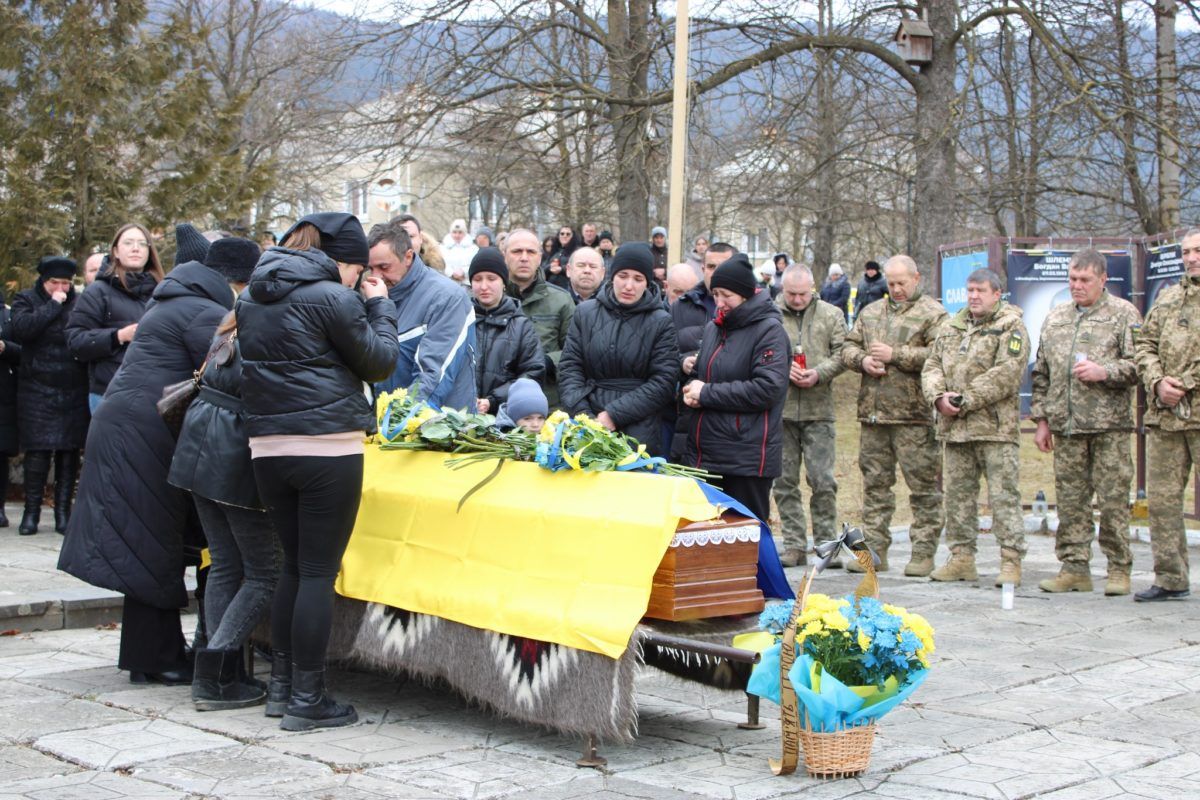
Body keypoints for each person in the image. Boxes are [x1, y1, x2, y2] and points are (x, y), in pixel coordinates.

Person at [236, 212, 399, 730]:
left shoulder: (251, 297)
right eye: (356, 270)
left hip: (267, 448)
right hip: (327, 448)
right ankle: (309, 699)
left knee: (291, 565)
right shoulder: (334, 296)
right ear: (342, 262)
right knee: (316, 573)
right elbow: (379, 362)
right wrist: (381, 307)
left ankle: (282, 689)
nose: (357, 279)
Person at [59, 228, 237, 687]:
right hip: (144, 434)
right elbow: (230, 370)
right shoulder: (204, 310)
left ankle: (151, 654)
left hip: (132, 429)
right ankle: (158, 658)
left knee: (145, 543)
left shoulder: (174, 300)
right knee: (150, 543)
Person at [166, 238, 273, 710]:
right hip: (230, 454)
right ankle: (216, 671)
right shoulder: (263, 323)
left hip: (198, 449)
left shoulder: (228, 322)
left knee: (226, 564)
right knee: (265, 572)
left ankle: (210, 677)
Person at [1031, 248, 1140, 596]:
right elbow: (1041, 373)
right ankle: (1074, 567)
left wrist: (1104, 371)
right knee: (1072, 501)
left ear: (1103, 279)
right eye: (1073, 279)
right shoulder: (1056, 317)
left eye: (1085, 280)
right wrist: (1042, 420)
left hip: (1108, 426)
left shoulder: (1124, 315)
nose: (1077, 286)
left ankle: (1119, 568)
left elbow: (1140, 365)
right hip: (1067, 427)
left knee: (1112, 500)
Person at [923, 269, 1029, 587]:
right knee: (957, 497)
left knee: (1003, 497)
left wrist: (965, 399)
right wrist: (937, 396)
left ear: (997, 294)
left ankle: (1011, 560)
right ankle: (961, 558)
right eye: (969, 290)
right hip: (955, 430)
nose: (973, 296)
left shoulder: (1011, 327)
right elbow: (932, 365)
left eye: (981, 290)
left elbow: (1007, 373)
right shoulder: (950, 327)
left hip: (994, 429)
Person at [842, 255, 947, 573]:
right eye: (891, 283)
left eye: (902, 282)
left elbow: (941, 353)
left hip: (914, 417)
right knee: (875, 487)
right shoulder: (872, 312)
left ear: (917, 278)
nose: (897, 289)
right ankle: (873, 551)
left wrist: (896, 355)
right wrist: (862, 361)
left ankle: (923, 553)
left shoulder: (934, 314)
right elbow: (847, 346)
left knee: (924, 488)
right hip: (874, 416)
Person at [681, 255, 790, 522]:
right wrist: (689, 390)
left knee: (747, 542)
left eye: (726, 295)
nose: (719, 302)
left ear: (745, 293)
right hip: (706, 454)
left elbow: (767, 389)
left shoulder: (769, 331)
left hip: (746, 460)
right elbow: (700, 374)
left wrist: (705, 393)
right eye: (715, 294)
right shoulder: (713, 328)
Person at [558, 243, 678, 455]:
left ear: (647, 283)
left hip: (638, 430)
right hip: (585, 422)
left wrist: (614, 415)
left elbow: (663, 382)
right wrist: (584, 415)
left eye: (638, 279)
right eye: (623, 276)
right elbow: (569, 367)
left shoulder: (661, 321)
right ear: (612, 276)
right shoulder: (585, 313)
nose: (629, 285)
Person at [1134, 226, 1200, 602]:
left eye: (1198, 251)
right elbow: (1144, 343)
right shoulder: (1169, 298)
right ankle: (1171, 577)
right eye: (1187, 251)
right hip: (1167, 417)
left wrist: (1185, 382)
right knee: (1162, 501)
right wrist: (1158, 382)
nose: (1191, 258)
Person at [772, 264, 846, 568]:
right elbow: (759, 351)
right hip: (782, 411)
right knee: (784, 482)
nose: (798, 299)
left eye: (803, 294)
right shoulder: (770, 315)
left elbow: (843, 353)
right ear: (782, 289)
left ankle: (827, 544)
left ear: (813, 288)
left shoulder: (831, 315)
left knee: (823, 481)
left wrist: (819, 373)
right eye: (791, 294)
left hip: (819, 410)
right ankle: (793, 544)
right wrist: (781, 366)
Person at [9, 257, 88, 535]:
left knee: (68, 452)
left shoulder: (80, 304)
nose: (61, 288)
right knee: (38, 451)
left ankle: (63, 513)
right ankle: (31, 514)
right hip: (36, 387)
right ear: (43, 281)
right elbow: (23, 330)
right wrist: (53, 304)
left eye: (66, 283)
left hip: (72, 387)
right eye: (55, 282)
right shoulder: (26, 300)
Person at [368, 222, 476, 411]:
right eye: (371, 268)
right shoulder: (374, 296)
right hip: (390, 426)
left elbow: (432, 375)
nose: (376, 276)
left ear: (408, 257)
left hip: (437, 429)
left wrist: (397, 421)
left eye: (384, 267)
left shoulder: (447, 298)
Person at [67, 222, 168, 412]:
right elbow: (75, 341)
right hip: (109, 392)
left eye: (142, 243)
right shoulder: (97, 292)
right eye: (128, 243)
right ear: (115, 252)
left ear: (149, 251)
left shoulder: (164, 292)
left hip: (156, 392)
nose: (136, 248)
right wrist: (119, 336)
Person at [469, 248, 545, 414]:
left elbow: (532, 373)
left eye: (491, 279)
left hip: (506, 416)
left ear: (504, 283)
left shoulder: (521, 326)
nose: (484, 286)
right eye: (477, 279)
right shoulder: (460, 320)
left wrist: (493, 400)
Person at [504, 229, 575, 408]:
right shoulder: (490, 298)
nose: (524, 257)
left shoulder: (561, 300)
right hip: (497, 401)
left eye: (531, 252)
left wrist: (549, 361)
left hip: (546, 403)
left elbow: (575, 350)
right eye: (517, 251)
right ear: (504, 255)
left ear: (540, 257)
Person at [672, 242, 734, 351]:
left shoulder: (752, 307)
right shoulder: (680, 306)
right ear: (703, 269)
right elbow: (667, 353)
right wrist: (683, 361)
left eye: (724, 266)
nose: (716, 273)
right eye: (711, 267)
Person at [0, 292, 17, 528]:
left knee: (0, 455)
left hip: (3, 394)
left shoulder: (8, 315)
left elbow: (26, 352)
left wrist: (5, 347)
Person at [441, 218, 477, 284]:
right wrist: (451, 273)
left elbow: (476, 264)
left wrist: (464, 272)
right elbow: (440, 264)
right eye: (454, 232)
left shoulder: (473, 249)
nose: (457, 235)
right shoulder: (442, 248)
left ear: (465, 233)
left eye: (460, 232)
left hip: (467, 283)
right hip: (448, 282)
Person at [546, 225, 579, 291]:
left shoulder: (577, 252)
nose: (565, 236)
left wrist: (561, 269)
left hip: (568, 289)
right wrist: (550, 267)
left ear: (573, 236)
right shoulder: (554, 251)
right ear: (558, 236)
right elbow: (543, 267)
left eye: (568, 234)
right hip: (551, 288)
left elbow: (577, 267)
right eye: (562, 234)